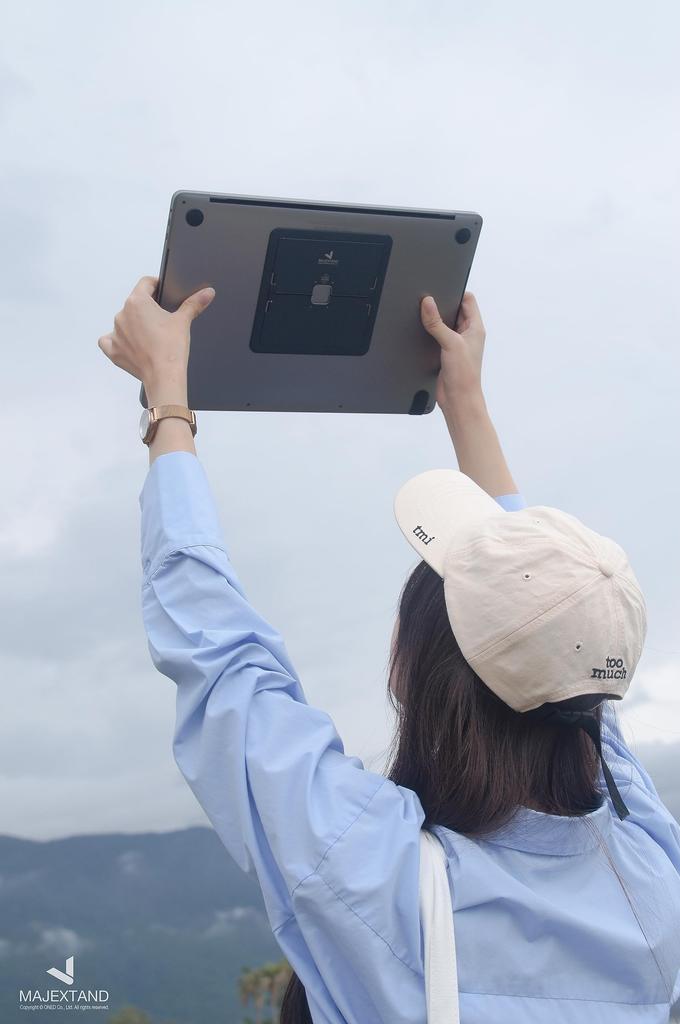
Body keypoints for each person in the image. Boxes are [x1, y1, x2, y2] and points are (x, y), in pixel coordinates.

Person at [99, 279, 680, 1022]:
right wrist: (463, 398)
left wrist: (166, 403)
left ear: (414, 670)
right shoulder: (650, 870)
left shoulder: (382, 876)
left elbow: (221, 655)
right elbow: (554, 647)